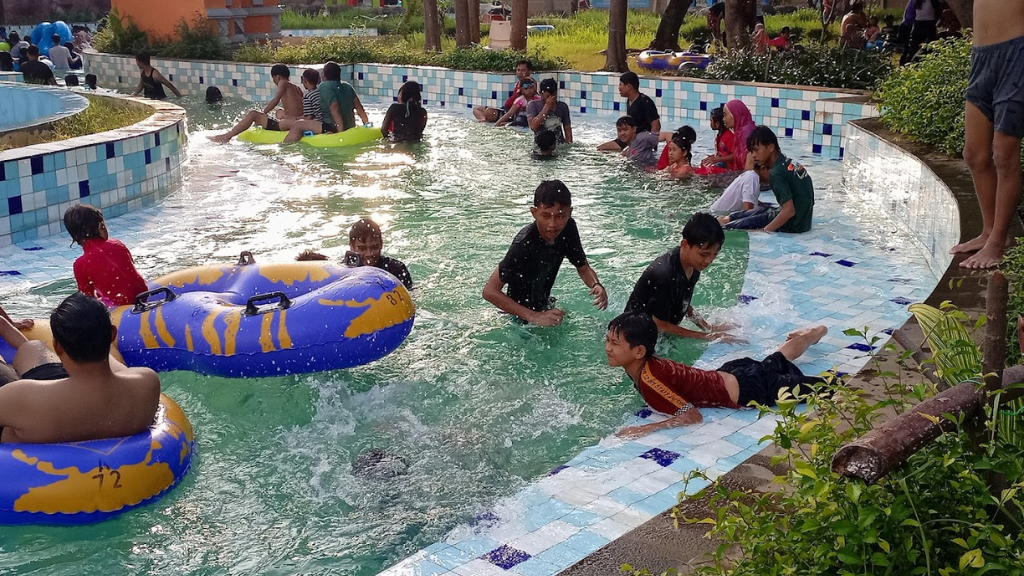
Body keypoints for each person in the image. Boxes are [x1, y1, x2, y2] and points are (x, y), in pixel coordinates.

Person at [605, 311, 828, 438]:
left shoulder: (650, 379)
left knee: (828, 387)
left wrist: (644, 429)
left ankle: (815, 334)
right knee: (775, 360)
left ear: (639, 352)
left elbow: (692, 416)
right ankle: (814, 333)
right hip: (732, 372)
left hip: (749, 388)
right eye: (607, 340)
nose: (607, 348)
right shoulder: (643, 366)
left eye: (615, 343)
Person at [0, 293, 161, 444]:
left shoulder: (18, 396)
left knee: (31, 349)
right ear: (112, 335)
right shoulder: (147, 382)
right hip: (68, 396)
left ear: (57, 347)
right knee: (32, 347)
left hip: (49, 409)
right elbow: (114, 367)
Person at [951, 0, 1024, 269]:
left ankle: (998, 241)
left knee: (1004, 155)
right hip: (982, 55)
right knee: (975, 154)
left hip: (1017, 53)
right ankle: (989, 231)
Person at [482, 180, 607, 326]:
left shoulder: (568, 229)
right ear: (534, 213)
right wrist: (533, 316)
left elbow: (583, 267)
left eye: (560, 216)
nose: (553, 224)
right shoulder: (523, 244)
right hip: (515, 318)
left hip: (544, 307)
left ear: (570, 213)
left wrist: (596, 285)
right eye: (546, 216)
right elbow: (489, 291)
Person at [624, 213, 737, 341]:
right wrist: (708, 336)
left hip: (656, 334)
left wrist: (708, 327)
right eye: (704, 254)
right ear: (684, 245)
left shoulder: (694, 264)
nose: (709, 260)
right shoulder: (665, 275)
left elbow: (682, 302)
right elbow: (660, 325)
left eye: (714, 254)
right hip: (634, 338)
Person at [718, 126, 814, 233]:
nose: (753, 156)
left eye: (756, 150)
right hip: (803, 223)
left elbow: (789, 211)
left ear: (771, 147)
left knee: (731, 228)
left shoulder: (776, 173)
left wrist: (765, 231)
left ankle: (724, 223)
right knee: (755, 212)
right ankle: (727, 219)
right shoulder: (787, 163)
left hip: (791, 226)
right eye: (751, 151)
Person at [64, 204, 148, 307]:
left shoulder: (80, 264)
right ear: (101, 226)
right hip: (144, 295)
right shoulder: (117, 244)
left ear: (74, 235)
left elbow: (87, 300)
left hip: (120, 307)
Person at [296, 218, 413, 289]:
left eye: (374, 247)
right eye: (362, 248)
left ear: (381, 244)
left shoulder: (396, 269)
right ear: (351, 246)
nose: (369, 254)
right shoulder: (343, 270)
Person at [209, 64, 304, 143]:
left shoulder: (282, 83)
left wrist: (264, 112)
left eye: (273, 78)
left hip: (286, 125)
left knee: (253, 114)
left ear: (277, 77)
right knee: (279, 111)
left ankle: (227, 136)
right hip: (295, 121)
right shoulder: (297, 88)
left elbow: (275, 100)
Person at [285, 61, 368, 142]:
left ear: (324, 75)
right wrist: (367, 125)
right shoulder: (347, 86)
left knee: (298, 125)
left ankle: (284, 146)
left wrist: (340, 133)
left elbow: (334, 108)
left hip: (332, 127)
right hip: (350, 126)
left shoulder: (325, 86)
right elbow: (360, 108)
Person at [598, 72, 660, 151]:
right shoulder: (630, 101)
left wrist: (650, 145)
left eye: (621, 84)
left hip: (642, 142)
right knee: (600, 149)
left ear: (628, 86)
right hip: (630, 140)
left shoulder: (645, 101)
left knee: (602, 149)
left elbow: (656, 124)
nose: (619, 88)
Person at [526, 78, 573, 144]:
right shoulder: (533, 105)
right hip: (541, 146)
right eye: (547, 96)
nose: (551, 99)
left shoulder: (562, 107)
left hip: (558, 145)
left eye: (554, 96)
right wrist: (547, 106)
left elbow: (568, 132)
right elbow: (533, 126)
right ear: (540, 93)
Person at [696, 106, 735, 175]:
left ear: (717, 124)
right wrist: (712, 157)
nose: (710, 123)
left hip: (729, 168)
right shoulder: (720, 135)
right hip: (722, 164)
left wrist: (717, 159)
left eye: (711, 121)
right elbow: (722, 153)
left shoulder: (729, 136)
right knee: (703, 164)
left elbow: (734, 155)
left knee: (706, 171)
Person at [901, 0, 938, 65]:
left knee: (914, 46)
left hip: (918, 24)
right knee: (927, 46)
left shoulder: (917, 1)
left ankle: (908, 63)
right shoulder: (932, 1)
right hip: (928, 24)